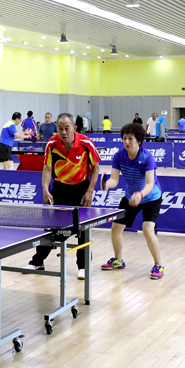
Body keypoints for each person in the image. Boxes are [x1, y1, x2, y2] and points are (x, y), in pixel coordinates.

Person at [25, 113, 100, 279]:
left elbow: (96, 167)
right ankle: (38, 261)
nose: (63, 132)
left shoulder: (86, 143)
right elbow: (47, 169)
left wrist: (90, 191)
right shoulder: (52, 144)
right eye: (60, 128)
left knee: (83, 229)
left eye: (67, 128)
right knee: (50, 226)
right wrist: (45, 189)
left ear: (74, 128)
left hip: (81, 189)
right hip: (59, 188)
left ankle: (84, 266)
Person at [101, 123, 164, 280]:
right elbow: (115, 179)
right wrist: (108, 184)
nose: (126, 142)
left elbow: (150, 183)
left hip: (150, 197)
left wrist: (140, 195)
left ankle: (158, 265)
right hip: (130, 196)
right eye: (124, 138)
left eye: (130, 138)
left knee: (147, 230)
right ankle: (118, 260)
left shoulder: (147, 157)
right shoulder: (119, 156)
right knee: (116, 228)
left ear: (139, 140)